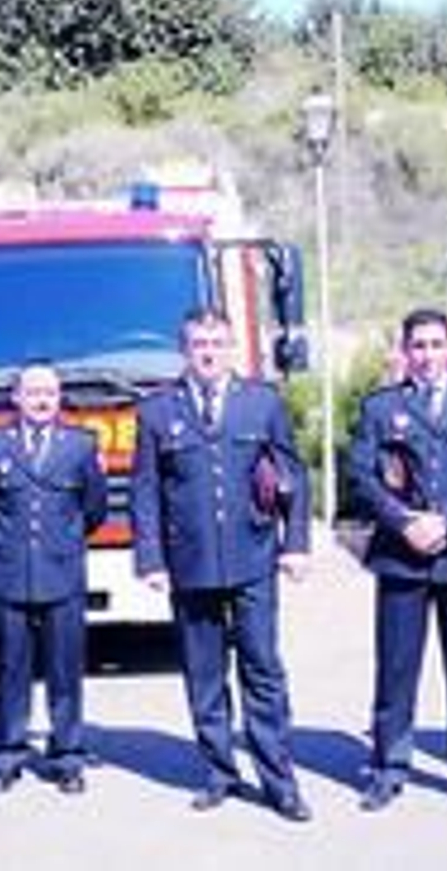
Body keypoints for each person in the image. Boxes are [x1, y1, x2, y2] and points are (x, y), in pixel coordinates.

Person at [130, 309, 313, 822]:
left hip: (253, 556)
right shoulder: (157, 411)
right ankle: (219, 773)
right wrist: (149, 558)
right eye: (198, 343)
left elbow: (292, 476)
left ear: (232, 347)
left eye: (217, 342)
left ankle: (280, 781)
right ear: (183, 349)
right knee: (204, 674)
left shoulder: (263, 403)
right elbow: (146, 492)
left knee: (262, 670)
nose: (208, 351)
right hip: (189, 565)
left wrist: (295, 544)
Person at [348, 307, 447, 812]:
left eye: (436, 344)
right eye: (418, 345)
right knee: (396, 669)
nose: (427, 355)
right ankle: (389, 766)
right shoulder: (381, 409)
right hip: (402, 557)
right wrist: (405, 523)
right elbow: (362, 476)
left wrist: (446, 521)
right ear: (404, 351)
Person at [0, 362, 107, 795]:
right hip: (9, 575)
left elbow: (94, 509)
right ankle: (7, 753)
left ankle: (67, 756)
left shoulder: (80, 446)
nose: (42, 400)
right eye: (33, 392)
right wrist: (10, 545)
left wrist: (60, 544)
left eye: (50, 392)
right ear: (17, 398)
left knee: (65, 670)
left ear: (59, 397)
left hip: (63, 574)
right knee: (10, 669)